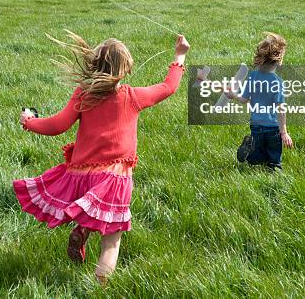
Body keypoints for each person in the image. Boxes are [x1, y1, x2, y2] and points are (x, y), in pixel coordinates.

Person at [13, 31, 190, 284]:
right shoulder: (131, 96)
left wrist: (30, 122)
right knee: (111, 240)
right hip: (115, 179)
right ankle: (100, 287)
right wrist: (180, 56)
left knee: (91, 205)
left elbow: (57, 125)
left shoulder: (84, 94)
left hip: (82, 174)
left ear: (95, 65)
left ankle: (82, 230)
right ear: (125, 68)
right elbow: (168, 87)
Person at [234, 32, 294, 170]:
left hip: (256, 125)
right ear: (279, 60)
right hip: (273, 127)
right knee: (273, 155)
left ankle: (250, 154)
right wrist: (284, 132)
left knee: (257, 156)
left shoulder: (253, 76)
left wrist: (233, 95)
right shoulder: (277, 82)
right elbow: (281, 108)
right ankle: (274, 167)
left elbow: (243, 99)